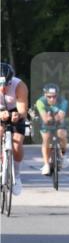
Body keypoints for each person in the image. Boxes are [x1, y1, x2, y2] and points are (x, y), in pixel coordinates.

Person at [0, 62, 29, 195]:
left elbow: (23, 109)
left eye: (6, 84)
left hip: (14, 111)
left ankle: (16, 176)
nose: (3, 87)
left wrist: (18, 115)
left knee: (17, 145)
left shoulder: (19, 85)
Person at [35, 83, 69, 176]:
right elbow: (45, 119)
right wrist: (51, 117)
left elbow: (61, 117)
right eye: (49, 97)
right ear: (45, 95)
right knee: (46, 139)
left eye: (54, 97)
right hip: (46, 124)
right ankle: (46, 164)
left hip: (59, 124)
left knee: (62, 134)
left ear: (57, 95)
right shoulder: (40, 102)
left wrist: (52, 116)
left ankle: (64, 154)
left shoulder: (63, 101)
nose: (52, 99)